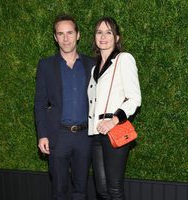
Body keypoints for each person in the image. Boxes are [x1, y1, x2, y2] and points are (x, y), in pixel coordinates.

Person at [34, 14, 94, 200]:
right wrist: (42, 134)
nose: (65, 38)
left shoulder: (91, 64)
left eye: (70, 33)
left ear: (78, 35)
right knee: (59, 190)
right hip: (58, 136)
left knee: (81, 190)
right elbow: (40, 103)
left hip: (85, 136)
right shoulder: (46, 66)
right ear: (55, 37)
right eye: (61, 34)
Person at [88, 17, 141, 200]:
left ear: (116, 37)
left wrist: (113, 120)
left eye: (108, 32)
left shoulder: (124, 59)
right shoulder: (95, 67)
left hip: (114, 131)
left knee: (114, 190)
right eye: (99, 32)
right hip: (95, 134)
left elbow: (135, 98)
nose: (103, 36)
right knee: (102, 191)